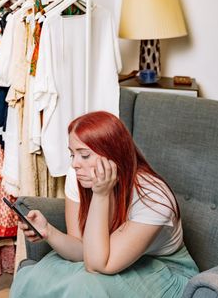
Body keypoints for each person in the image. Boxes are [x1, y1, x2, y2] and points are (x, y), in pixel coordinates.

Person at [10, 111, 199, 297]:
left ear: (113, 156)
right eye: (72, 154)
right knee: (36, 277)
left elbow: (98, 265)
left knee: (84, 286)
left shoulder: (152, 196)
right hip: (102, 257)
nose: (75, 164)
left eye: (84, 155)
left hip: (163, 269)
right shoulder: (77, 175)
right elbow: (83, 251)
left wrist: (101, 195)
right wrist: (48, 231)